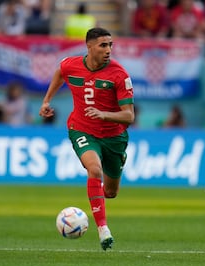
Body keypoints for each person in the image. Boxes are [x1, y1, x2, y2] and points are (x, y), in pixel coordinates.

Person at [39, 27, 135, 250]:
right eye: (103, 45)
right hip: (82, 130)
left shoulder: (119, 75)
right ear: (89, 46)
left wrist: (104, 115)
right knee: (94, 170)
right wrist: (46, 101)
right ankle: (103, 230)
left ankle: (96, 200)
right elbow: (60, 73)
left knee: (110, 192)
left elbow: (129, 116)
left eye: (111, 45)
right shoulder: (71, 65)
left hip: (114, 138)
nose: (109, 50)